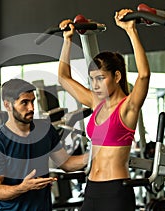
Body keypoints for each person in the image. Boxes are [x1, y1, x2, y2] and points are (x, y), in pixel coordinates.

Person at [58, 9, 151, 211]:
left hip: (115, 192)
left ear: (117, 77)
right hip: (92, 189)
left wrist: (130, 30)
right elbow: (63, 78)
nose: (95, 85)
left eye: (101, 78)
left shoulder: (127, 107)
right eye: (92, 80)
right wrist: (67, 40)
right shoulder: (95, 102)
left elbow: (143, 75)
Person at [0, 78, 89, 211]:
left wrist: (95, 155)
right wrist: (24, 187)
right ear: (7, 105)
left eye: (32, 101)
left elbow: (66, 163)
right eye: (24, 103)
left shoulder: (44, 129)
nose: (31, 108)